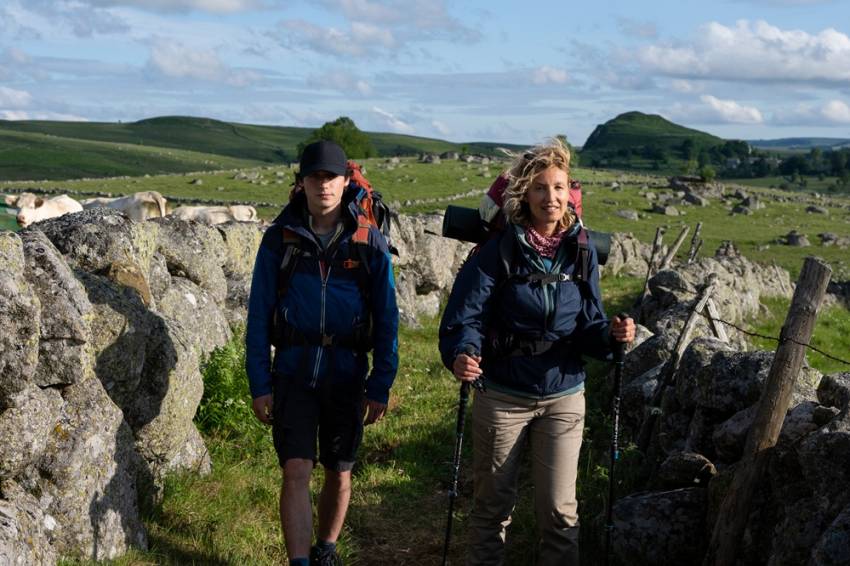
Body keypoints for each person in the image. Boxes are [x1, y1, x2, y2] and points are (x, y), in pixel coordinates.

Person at [438, 139, 635, 566]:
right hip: (502, 396)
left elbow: (590, 323)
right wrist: (462, 353)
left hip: (564, 396)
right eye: (541, 188)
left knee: (559, 512)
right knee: (492, 508)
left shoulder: (581, 252)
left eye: (559, 187)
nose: (551, 197)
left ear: (570, 193)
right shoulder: (499, 250)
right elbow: (465, 317)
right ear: (525, 195)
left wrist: (612, 336)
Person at [245, 140, 399, 566]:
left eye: (331, 177)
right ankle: (300, 562)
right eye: (315, 177)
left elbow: (387, 316)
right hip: (293, 371)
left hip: (347, 372)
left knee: (339, 468)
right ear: (302, 183)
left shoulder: (368, 241)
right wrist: (259, 382)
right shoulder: (280, 239)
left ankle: (326, 549)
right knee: (296, 469)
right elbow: (259, 314)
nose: (323, 185)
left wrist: (381, 382)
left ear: (346, 181)